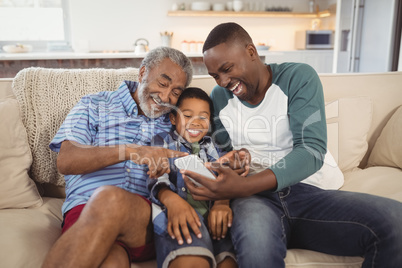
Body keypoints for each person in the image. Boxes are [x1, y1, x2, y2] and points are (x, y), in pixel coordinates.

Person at [182, 22, 402, 267]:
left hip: (312, 193)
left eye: (226, 69)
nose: (222, 81)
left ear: (251, 52)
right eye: (215, 76)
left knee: (396, 222)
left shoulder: (298, 77)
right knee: (257, 253)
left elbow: (311, 151)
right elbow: (226, 154)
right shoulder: (219, 98)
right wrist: (229, 182)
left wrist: (242, 187)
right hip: (256, 201)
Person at [43, 47, 193, 268]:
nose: (165, 97)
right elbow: (66, 160)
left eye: (176, 92)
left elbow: (195, 166)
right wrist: (130, 151)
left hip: (143, 222)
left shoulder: (175, 122)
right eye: (162, 83)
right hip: (84, 210)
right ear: (142, 73)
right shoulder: (94, 105)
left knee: (110, 199)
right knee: (113, 261)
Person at [147, 87, 240, 268]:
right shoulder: (163, 141)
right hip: (178, 216)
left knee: (228, 261)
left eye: (203, 117)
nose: (196, 123)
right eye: (187, 116)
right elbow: (157, 179)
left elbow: (224, 175)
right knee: (192, 254)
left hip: (213, 218)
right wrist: (170, 199)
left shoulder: (211, 145)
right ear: (173, 118)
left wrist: (222, 203)